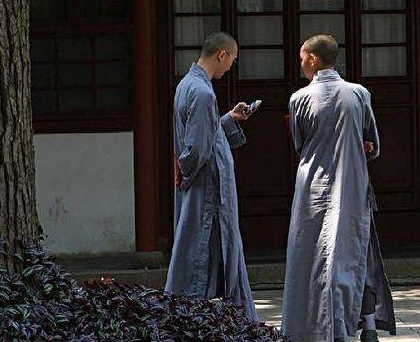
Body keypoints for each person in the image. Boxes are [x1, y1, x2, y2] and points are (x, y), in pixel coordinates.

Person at [282, 35, 395, 342]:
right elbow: (372, 144)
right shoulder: (359, 93)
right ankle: (367, 327)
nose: (302, 64)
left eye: (302, 58)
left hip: (314, 189)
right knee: (357, 255)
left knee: (313, 257)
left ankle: (323, 328)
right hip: (353, 187)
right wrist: (360, 148)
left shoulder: (299, 98)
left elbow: (300, 144)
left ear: (313, 59)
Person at [165, 32, 259, 321]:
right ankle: (219, 319)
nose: (230, 67)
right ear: (222, 55)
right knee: (202, 251)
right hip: (207, 186)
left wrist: (229, 118)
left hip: (199, 182)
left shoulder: (187, 85)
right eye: (232, 60)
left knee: (197, 248)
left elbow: (205, 133)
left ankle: (210, 316)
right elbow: (196, 149)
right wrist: (186, 172)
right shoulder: (204, 93)